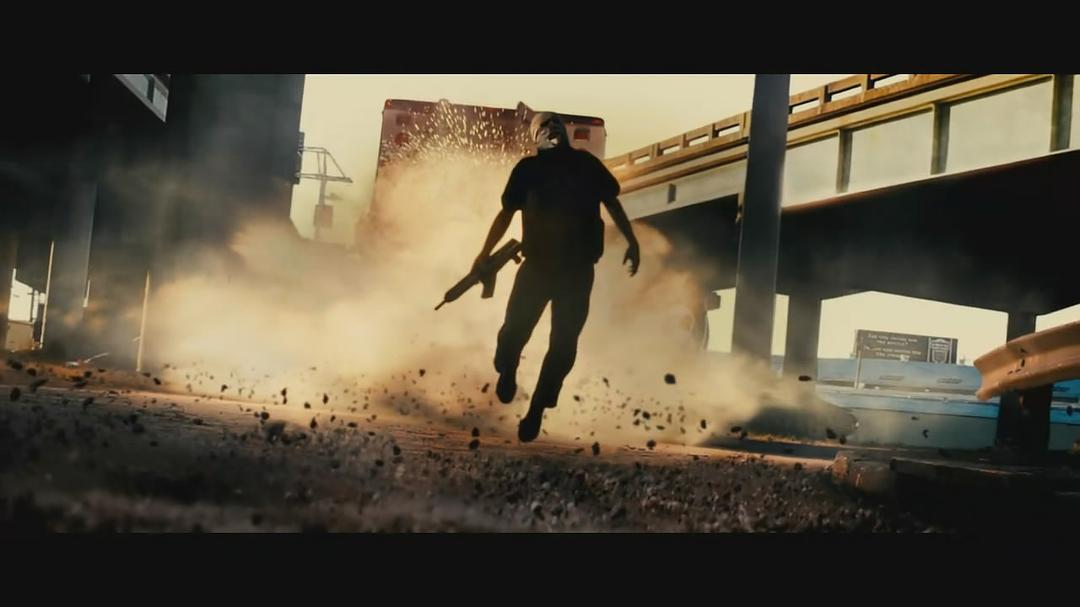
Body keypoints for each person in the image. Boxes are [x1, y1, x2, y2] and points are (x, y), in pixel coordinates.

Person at [471, 111, 640, 442]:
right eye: (545, 126)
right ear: (536, 137)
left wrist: (632, 241)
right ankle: (508, 369)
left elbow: (612, 203)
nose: (553, 130)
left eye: (557, 125)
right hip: (536, 268)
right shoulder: (528, 169)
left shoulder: (587, 165)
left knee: (563, 344)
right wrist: (484, 253)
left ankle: (537, 408)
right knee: (513, 332)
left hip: (577, 271)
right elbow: (506, 213)